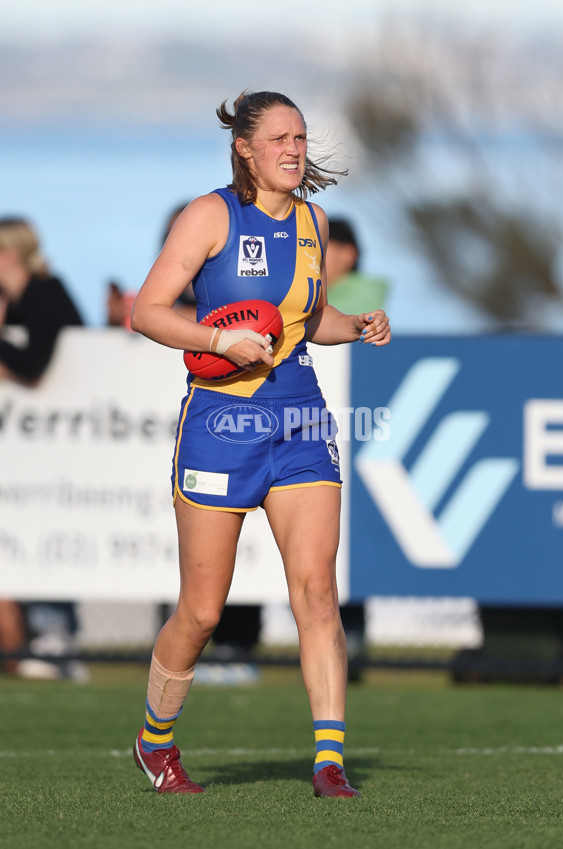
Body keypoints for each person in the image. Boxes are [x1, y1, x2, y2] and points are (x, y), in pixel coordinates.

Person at [130, 90, 391, 797]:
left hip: (300, 418)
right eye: (280, 137)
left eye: (301, 137)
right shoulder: (211, 214)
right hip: (221, 423)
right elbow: (145, 311)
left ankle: (329, 760)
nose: (295, 149)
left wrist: (357, 322)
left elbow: (306, 322)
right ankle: (155, 742)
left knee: (316, 591)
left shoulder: (314, 219)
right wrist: (218, 338)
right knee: (203, 611)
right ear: (245, 147)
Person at [0, 216, 88, 681]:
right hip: (29, 446)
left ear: (10, 254)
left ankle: (57, 632)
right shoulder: (17, 302)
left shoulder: (44, 293)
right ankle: (43, 633)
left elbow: (34, 362)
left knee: (54, 518)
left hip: (67, 439)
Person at [324, 218, 390, 681]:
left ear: (348, 253)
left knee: (355, 542)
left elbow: (319, 319)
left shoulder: (365, 292)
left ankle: (356, 645)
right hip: (307, 422)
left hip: (353, 425)